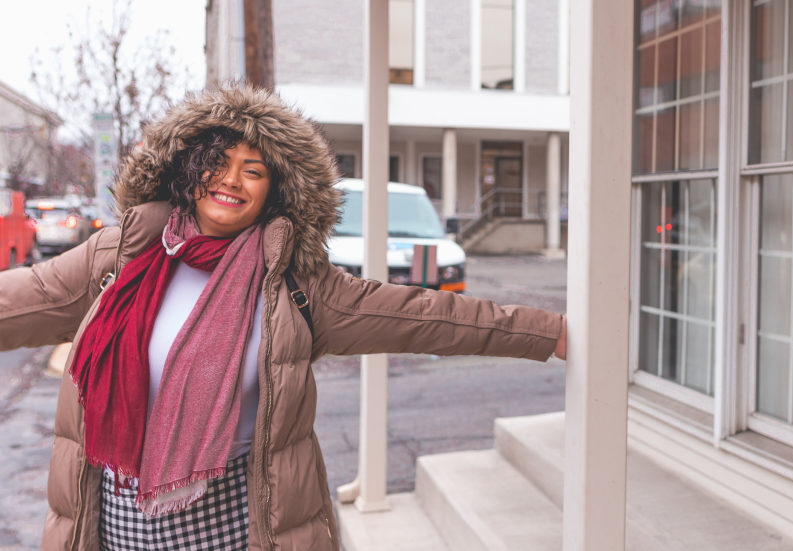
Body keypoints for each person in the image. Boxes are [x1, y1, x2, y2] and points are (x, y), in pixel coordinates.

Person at [0, 84, 566, 551]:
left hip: (243, 529)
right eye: (217, 163)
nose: (230, 180)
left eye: (253, 170)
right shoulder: (121, 254)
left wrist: (547, 332)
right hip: (113, 524)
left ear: (273, 190)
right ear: (187, 172)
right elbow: (21, 299)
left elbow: (423, 315)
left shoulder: (294, 282)